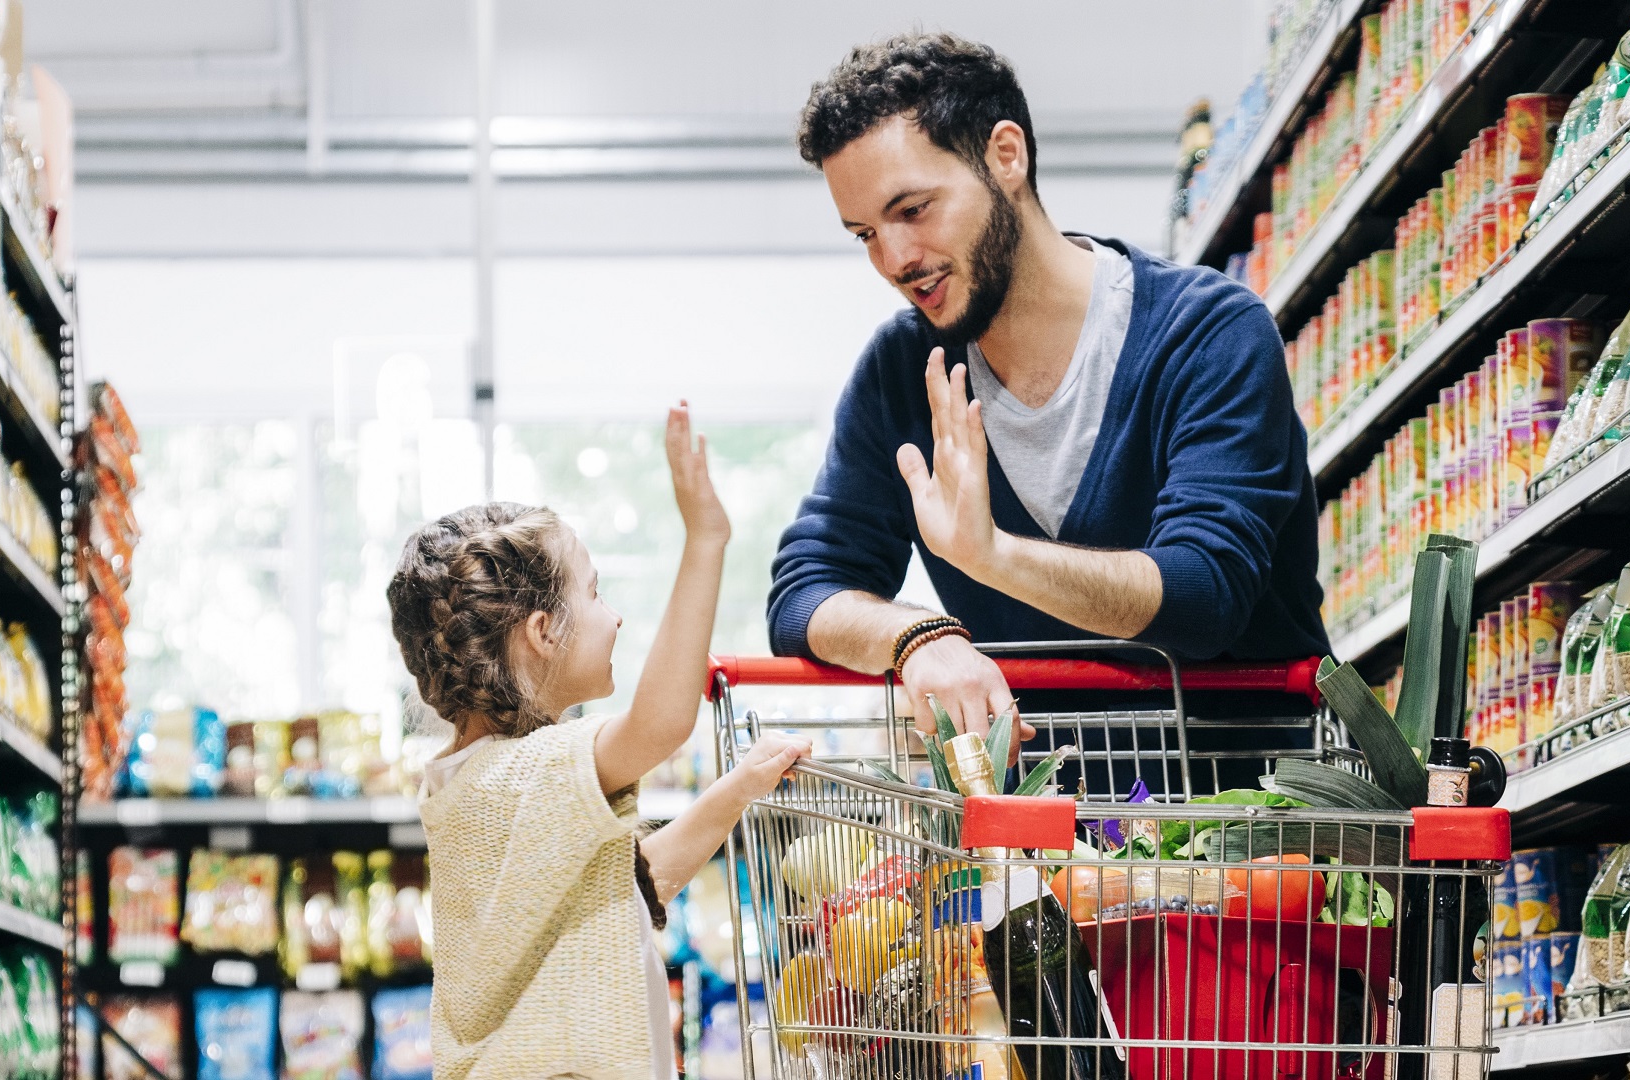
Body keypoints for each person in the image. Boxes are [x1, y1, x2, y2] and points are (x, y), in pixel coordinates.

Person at [768, 33, 1330, 739]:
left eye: (912, 210)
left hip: (1246, 817)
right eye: (864, 234)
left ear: (1007, 155)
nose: (895, 259)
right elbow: (801, 595)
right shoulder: (900, 374)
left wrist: (993, 556)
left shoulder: (1207, 333)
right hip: (1045, 830)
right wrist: (918, 638)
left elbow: (1204, 593)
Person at [388, 404, 810, 1080]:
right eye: (594, 594)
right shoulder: (516, 777)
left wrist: (739, 789)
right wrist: (706, 539)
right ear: (542, 632)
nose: (613, 617)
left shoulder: (492, 787)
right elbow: (660, 724)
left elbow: (638, 886)